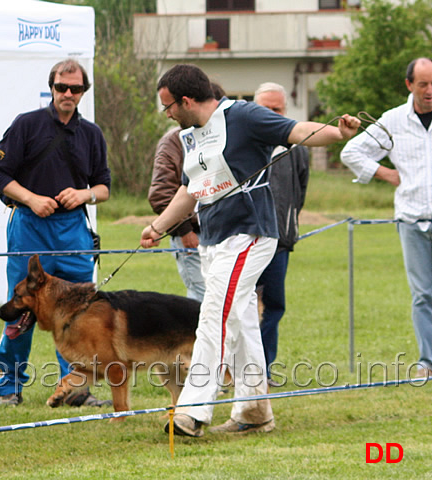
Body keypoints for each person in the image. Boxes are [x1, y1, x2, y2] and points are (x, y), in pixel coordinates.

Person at [140, 64, 359, 437]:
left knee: (214, 315)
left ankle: (192, 412)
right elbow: (191, 188)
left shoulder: (241, 115)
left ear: (187, 100)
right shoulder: (190, 135)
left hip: (250, 233)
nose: (168, 114)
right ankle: (254, 412)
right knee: (240, 321)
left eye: (169, 106)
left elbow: (296, 131)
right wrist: (158, 226)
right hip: (213, 237)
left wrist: (338, 132)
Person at [0, 58, 112, 408]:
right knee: (23, 309)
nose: (67, 94)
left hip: (72, 231)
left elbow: (103, 187)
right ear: (51, 87)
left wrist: (84, 194)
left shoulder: (92, 134)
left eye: (75, 88)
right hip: (29, 226)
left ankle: (75, 389)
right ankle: (8, 387)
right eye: (61, 87)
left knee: (79, 313)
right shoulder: (26, 125)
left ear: (83, 92)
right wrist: (31, 199)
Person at [341, 57, 432, 379]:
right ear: (410, 85)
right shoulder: (393, 120)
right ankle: (427, 362)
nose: (430, 90)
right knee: (423, 294)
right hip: (412, 221)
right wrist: (383, 172)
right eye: (423, 84)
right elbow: (351, 152)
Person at [253, 82, 310, 387]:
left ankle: (262, 370)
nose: (272, 115)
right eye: (266, 110)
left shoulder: (297, 148)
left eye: (278, 110)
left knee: (273, 306)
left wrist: (287, 227)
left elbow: (299, 192)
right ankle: (228, 371)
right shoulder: (241, 145)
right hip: (245, 241)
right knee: (239, 306)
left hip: (280, 244)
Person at [148, 83, 226, 303]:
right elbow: (161, 193)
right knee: (203, 298)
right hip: (192, 237)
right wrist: (184, 230)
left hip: (224, 233)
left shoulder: (221, 138)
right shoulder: (173, 143)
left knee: (226, 298)